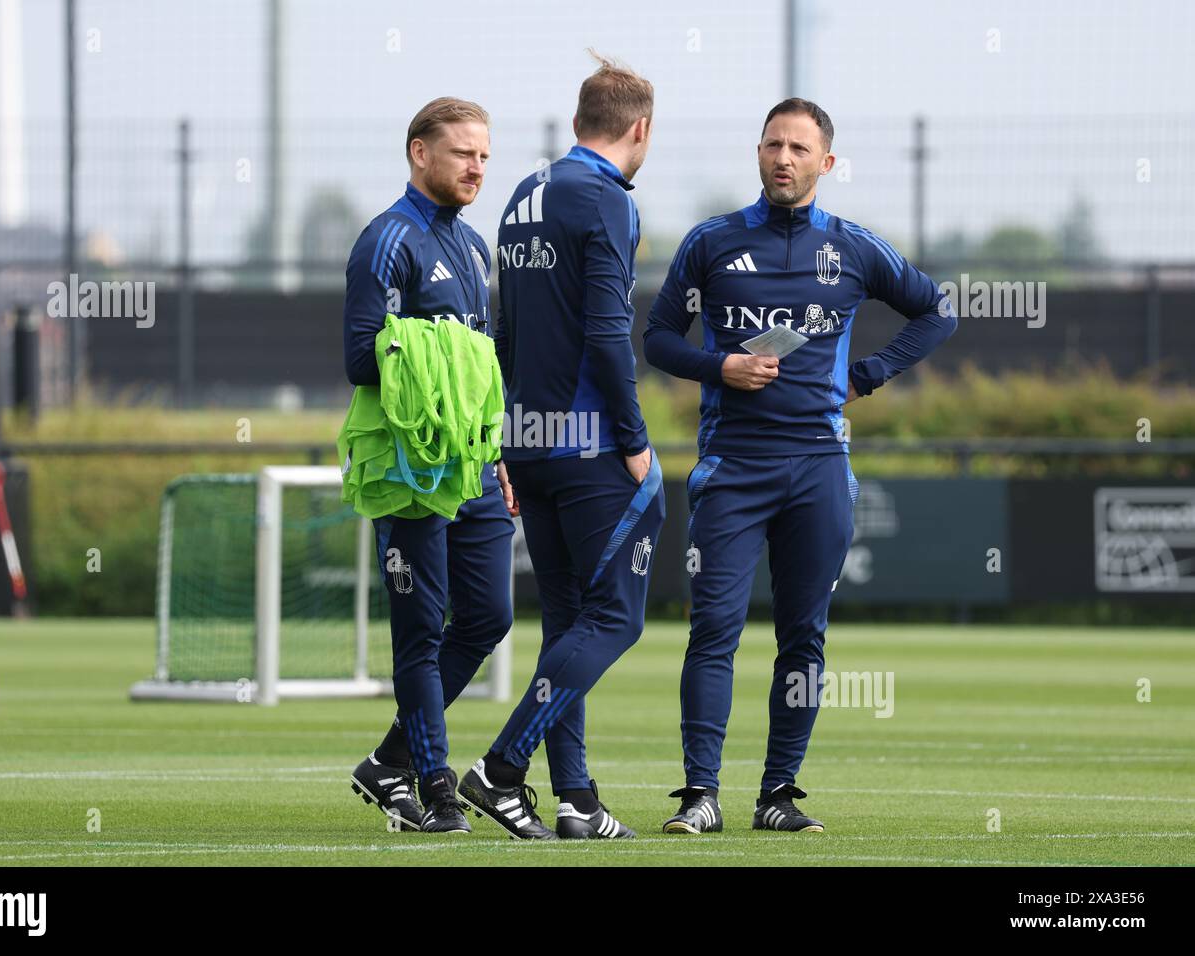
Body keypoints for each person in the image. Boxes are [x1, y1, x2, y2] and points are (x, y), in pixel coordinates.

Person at [644, 98, 957, 835]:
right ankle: (700, 796)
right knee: (713, 629)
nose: (783, 158)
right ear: (757, 153)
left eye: (798, 148)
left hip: (819, 466)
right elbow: (657, 339)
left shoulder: (853, 248)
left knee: (804, 637)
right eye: (773, 145)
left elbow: (938, 311)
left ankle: (778, 795)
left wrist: (869, 374)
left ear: (826, 162)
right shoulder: (711, 243)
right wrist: (720, 365)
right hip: (732, 465)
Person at [455, 53, 665, 840]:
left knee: (569, 622)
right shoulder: (605, 199)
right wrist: (636, 442)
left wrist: (507, 438)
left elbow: (505, 331)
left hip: (530, 441)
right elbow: (611, 333)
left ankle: (576, 801)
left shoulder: (521, 195)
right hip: (589, 448)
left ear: (581, 121)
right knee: (616, 619)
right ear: (639, 129)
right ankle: (502, 767)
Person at [342, 97, 516, 834]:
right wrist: (430, 348)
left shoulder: (476, 249)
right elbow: (359, 356)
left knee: (488, 616)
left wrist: (497, 450)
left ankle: (387, 763)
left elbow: (483, 371)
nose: (477, 167)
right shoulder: (387, 240)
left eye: (483, 155)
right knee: (419, 631)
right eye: (462, 153)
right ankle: (436, 786)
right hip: (410, 472)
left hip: (473, 469)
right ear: (420, 153)